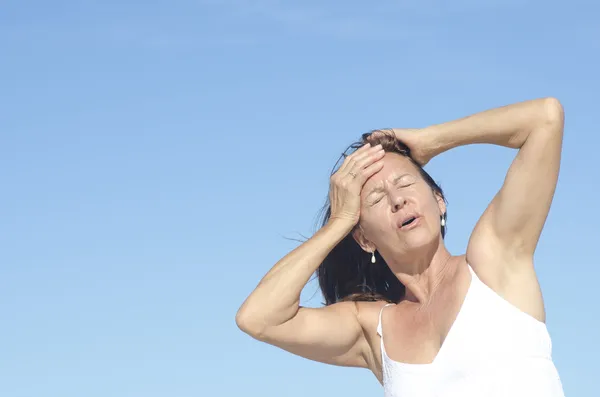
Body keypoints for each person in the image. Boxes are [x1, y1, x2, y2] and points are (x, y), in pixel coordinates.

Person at [236, 98, 566, 397]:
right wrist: (340, 222)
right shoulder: (373, 330)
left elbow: (545, 118)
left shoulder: (493, 260)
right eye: (377, 199)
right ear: (364, 238)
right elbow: (259, 318)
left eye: (405, 183)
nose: (397, 200)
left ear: (439, 201)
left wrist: (432, 140)